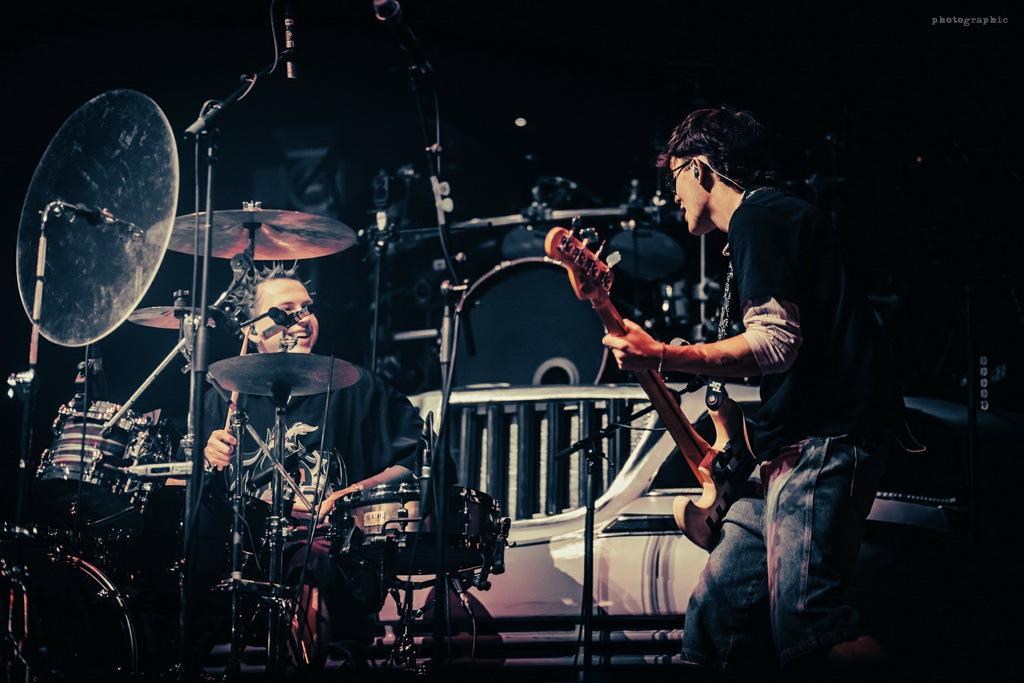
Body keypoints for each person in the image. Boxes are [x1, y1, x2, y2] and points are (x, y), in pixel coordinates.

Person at [602, 108, 902, 677]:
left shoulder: (760, 217)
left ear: (699, 168)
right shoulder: (764, 223)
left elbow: (775, 344)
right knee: (718, 620)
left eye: (673, 179)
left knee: (811, 622)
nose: (671, 197)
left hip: (823, 440)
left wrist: (662, 354)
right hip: (783, 450)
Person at [201, 263, 426, 670]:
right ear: (252, 331)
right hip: (244, 548)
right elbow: (196, 495)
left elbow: (418, 459)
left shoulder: (358, 386)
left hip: (332, 545)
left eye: (307, 308)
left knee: (310, 558)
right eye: (285, 311)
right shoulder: (223, 397)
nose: (302, 319)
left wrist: (348, 496)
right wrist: (208, 459)